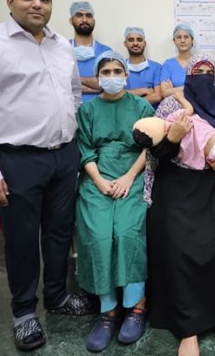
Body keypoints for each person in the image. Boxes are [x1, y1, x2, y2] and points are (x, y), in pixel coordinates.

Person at [0, 0, 95, 351]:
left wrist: (68, 139)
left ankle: (56, 297)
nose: (37, 3)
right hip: (17, 160)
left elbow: (73, 95)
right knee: (20, 241)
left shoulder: (61, 46)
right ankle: (23, 313)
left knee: (58, 232)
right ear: (10, 1)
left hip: (63, 156)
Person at [146, 54, 215, 356]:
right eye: (198, 71)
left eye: (210, 71)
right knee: (176, 240)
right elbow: (156, 151)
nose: (204, 76)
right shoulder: (172, 104)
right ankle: (188, 327)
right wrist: (173, 138)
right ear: (188, 74)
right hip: (178, 179)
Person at [75, 51, 154, 352]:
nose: (111, 76)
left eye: (116, 70)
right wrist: (99, 181)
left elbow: (150, 147)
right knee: (98, 235)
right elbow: (84, 149)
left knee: (126, 233)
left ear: (126, 75)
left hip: (132, 175)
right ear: (97, 77)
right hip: (97, 176)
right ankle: (108, 310)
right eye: (105, 71)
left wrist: (128, 178)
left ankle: (136, 305)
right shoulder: (88, 110)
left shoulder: (141, 106)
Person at [133, 89, 215, 203]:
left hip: (212, 157)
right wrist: (181, 98)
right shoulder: (172, 115)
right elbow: (189, 109)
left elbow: (178, 154)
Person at [68, 1, 113, 102]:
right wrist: (95, 85)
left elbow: (107, 84)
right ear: (71, 21)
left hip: (99, 111)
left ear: (94, 21)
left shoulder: (106, 52)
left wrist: (73, 82)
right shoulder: (62, 49)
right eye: (79, 15)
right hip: (69, 109)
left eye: (88, 16)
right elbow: (58, 83)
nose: (84, 19)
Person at [123, 26, 163, 107]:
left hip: (151, 117)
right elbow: (117, 96)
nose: (135, 43)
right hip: (126, 116)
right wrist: (143, 90)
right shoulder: (119, 68)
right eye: (131, 40)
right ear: (125, 44)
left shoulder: (156, 68)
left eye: (139, 40)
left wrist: (128, 99)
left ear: (144, 43)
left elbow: (157, 96)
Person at [160, 24, 195, 98]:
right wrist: (191, 87)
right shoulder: (168, 64)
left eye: (186, 37)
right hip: (174, 107)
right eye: (179, 37)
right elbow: (164, 93)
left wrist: (173, 90)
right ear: (174, 41)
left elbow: (203, 89)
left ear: (192, 40)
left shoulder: (200, 62)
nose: (182, 40)